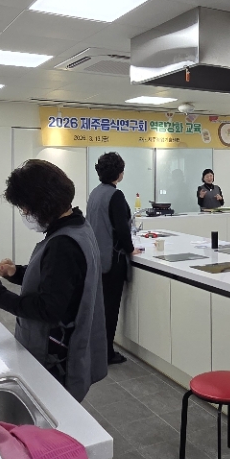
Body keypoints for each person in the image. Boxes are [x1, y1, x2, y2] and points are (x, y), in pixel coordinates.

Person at [0, 159, 107, 402]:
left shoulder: (63, 244)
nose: (25, 214)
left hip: (57, 358)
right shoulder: (78, 227)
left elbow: (47, 308)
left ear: (42, 205)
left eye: (25, 208)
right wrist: (15, 272)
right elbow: (58, 278)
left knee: (53, 410)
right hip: (66, 347)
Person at [86, 152, 141, 366]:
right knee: (110, 308)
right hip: (112, 259)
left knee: (99, 307)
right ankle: (107, 353)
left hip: (96, 257)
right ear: (119, 173)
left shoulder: (95, 193)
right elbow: (121, 228)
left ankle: (96, 348)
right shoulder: (115, 195)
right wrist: (130, 249)